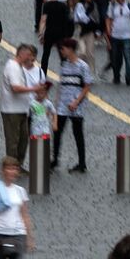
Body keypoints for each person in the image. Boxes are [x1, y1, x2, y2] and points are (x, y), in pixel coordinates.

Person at [50, 37, 94, 173]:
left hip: (76, 106)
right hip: (63, 105)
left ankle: (82, 163)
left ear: (70, 49)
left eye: (63, 49)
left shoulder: (83, 66)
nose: (61, 51)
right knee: (57, 132)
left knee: (77, 133)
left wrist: (76, 101)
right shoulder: (64, 65)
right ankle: (55, 159)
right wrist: (57, 103)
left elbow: (87, 86)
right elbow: (61, 85)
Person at [0, 45, 47, 165]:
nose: (31, 58)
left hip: (21, 110)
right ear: (22, 54)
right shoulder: (13, 67)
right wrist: (33, 88)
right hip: (12, 111)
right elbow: (15, 88)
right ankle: (12, 167)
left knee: (23, 140)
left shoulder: (18, 67)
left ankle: (18, 165)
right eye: (29, 55)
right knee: (13, 141)